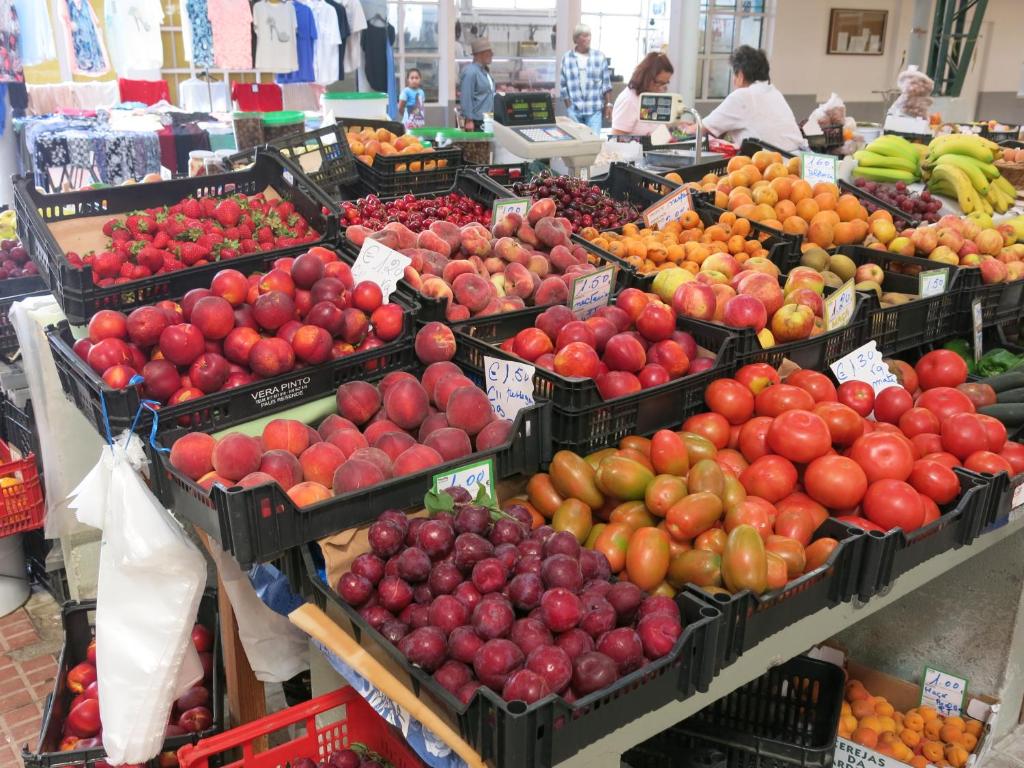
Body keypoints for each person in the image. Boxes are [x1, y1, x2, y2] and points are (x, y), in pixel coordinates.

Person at [702, 45, 806, 152]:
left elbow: (700, 130)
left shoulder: (742, 96)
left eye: (734, 75)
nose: (733, 80)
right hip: (799, 160)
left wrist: (686, 127)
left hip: (773, 164)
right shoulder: (774, 92)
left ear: (741, 76)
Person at [559, 24, 611, 136]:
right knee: (576, 142)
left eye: (589, 35)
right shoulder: (567, 58)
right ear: (576, 39)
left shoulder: (599, 57)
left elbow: (606, 84)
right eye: (585, 36)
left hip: (594, 110)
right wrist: (569, 106)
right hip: (574, 110)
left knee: (594, 143)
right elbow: (563, 85)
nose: (588, 38)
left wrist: (608, 104)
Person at [611, 52, 673, 135]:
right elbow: (617, 137)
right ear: (646, 77)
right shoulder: (629, 100)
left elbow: (653, 126)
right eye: (659, 83)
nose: (661, 88)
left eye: (665, 83)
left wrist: (680, 125)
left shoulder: (649, 97)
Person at [459, 38, 495, 132]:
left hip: (487, 119)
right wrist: (469, 120)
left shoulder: (485, 71)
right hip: (476, 121)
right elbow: (466, 96)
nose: (492, 54)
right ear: (480, 54)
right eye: (489, 52)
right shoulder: (471, 72)